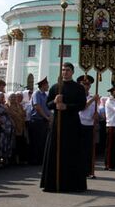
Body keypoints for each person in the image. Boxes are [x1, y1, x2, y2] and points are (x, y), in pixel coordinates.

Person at [40, 62, 87, 192]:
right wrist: (55, 102)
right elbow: (48, 104)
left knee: (72, 151)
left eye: (67, 70)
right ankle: (52, 183)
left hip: (72, 123)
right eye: (63, 70)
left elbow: (82, 105)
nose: (65, 72)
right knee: (54, 151)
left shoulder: (78, 88)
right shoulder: (55, 87)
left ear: (72, 72)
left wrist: (67, 106)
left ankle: (73, 184)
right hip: (57, 123)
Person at [77, 74, 98, 177]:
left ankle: (88, 170)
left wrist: (96, 114)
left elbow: (96, 110)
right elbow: (82, 107)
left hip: (90, 125)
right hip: (80, 124)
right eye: (84, 84)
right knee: (80, 149)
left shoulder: (92, 96)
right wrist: (93, 100)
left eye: (88, 84)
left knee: (89, 149)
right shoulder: (77, 96)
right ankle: (80, 170)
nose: (86, 86)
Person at [29, 77, 51, 165]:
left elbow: (47, 108)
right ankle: (34, 160)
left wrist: (50, 117)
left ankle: (41, 159)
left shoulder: (45, 95)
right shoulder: (36, 94)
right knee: (36, 141)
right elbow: (37, 107)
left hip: (44, 120)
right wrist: (46, 117)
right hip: (37, 120)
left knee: (42, 141)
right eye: (47, 84)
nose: (48, 86)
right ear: (43, 85)